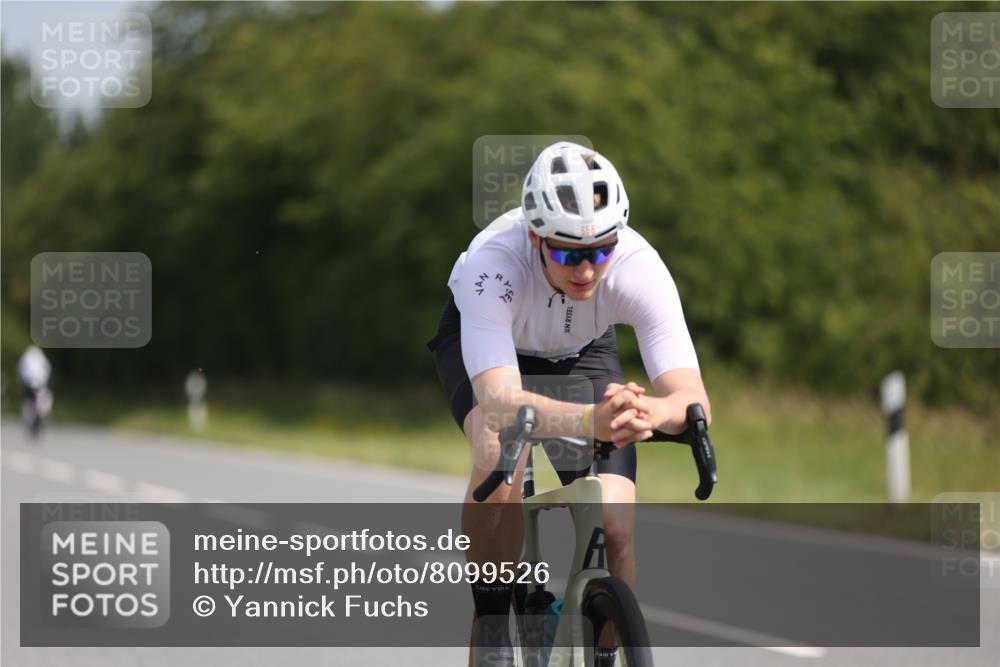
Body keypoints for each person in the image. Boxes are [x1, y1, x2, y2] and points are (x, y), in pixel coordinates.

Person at [427, 141, 711, 665]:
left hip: (582, 351)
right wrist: (590, 419)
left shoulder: (637, 266)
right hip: (498, 351)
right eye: (567, 253)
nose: (586, 270)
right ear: (534, 236)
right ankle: (491, 624)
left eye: (600, 251)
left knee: (616, 524)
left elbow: (691, 397)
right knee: (495, 449)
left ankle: (604, 653)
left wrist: (650, 413)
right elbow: (497, 401)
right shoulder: (494, 264)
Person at [18, 345, 53, 439]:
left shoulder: (26, 360)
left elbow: (21, 374)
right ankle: (33, 422)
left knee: (33, 404)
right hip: (37, 386)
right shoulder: (42, 360)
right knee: (31, 404)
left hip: (33, 386)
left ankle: (35, 422)